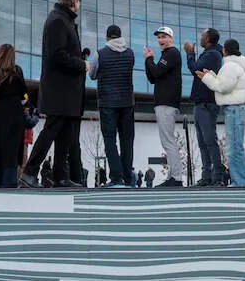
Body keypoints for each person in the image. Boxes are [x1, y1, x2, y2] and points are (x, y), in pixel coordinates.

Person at [21, 0, 89, 188]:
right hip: (60, 90)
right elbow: (57, 55)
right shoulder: (58, 21)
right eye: (79, 0)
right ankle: (29, 172)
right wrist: (82, 64)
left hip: (66, 91)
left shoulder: (63, 20)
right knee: (51, 130)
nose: (79, 4)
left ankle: (61, 176)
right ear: (73, 1)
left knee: (65, 133)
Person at [199, 38, 245, 187]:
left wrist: (207, 78)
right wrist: (212, 75)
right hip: (237, 109)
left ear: (225, 50)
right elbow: (227, 84)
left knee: (234, 148)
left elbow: (223, 87)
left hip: (234, 110)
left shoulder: (230, 66)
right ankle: (241, 181)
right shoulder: (237, 65)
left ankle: (240, 182)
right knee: (236, 147)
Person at [91, 24, 136, 187]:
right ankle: (128, 177)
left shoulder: (100, 53)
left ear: (107, 37)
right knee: (127, 140)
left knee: (110, 141)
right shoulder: (130, 53)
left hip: (108, 103)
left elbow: (92, 75)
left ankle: (116, 178)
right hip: (127, 103)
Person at [183, 28, 223, 187]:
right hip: (201, 104)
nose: (200, 37)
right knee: (202, 142)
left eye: (202, 35)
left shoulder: (212, 54)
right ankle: (206, 176)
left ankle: (217, 176)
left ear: (208, 39)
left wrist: (190, 54)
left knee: (209, 141)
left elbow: (196, 69)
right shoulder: (210, 53)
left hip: (207, 104)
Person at [145, 26, 184, 188]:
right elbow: (153, 77)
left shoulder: (172, 53)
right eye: (159, 37)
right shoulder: (166, 55)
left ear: (171, 38)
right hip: (164, 102)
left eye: (163, 37)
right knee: (167, 141)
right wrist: (149, 61)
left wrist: (148, 59)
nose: (160, 40)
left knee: (168, 141)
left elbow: (156, 71)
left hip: (167, 102)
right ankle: (172, 177)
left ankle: (176, 178)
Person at [0, 44, 27, 189]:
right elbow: (24, 92)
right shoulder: (17, 72)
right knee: (11, 151)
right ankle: (9, 183)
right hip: (14, 113)